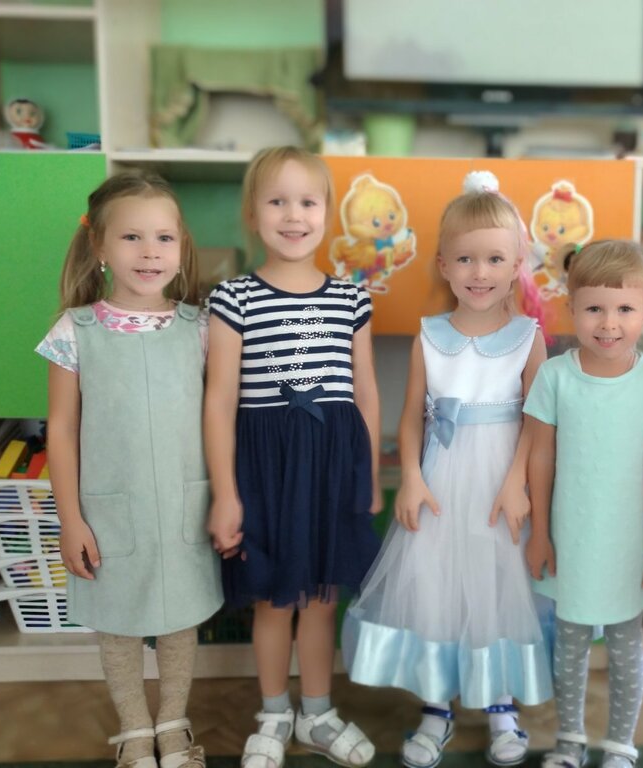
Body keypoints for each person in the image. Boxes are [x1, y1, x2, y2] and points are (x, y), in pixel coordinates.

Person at [342, 171, 553, 768]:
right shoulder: (429, 336)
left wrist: (517, 482)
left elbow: (538, 421)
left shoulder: (528, 337)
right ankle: (436, 709)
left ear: (516, 265)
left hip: (500, 488)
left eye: (494, 259)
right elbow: (412, 415)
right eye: (465, 259)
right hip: (439, 486)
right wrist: (411, 476)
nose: (479, 272)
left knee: (496, 589)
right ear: (443, 265)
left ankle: (501, 706)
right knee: (436, 590)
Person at [204, 147, 382, 768]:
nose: (293, 215)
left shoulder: (351, 299)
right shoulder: (233, 298)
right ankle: (275, 713)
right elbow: (219, 400)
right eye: (277, 201)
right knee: (275, 599)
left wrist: (368, 478)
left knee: (323, 598)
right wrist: (226, 494)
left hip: (333, 467)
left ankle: (318, 713)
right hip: (267, 470)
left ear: (327, 213)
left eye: (307, 202)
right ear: (253, 214)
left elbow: (365, 393)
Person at [42, 171, 222, 768]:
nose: (150, 252)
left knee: (179, 619)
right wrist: (70, 519)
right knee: (117, 622)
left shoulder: (201, 329)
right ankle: (134, 731)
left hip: (182, 504)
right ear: (99, 245)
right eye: (132, 237)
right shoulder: (75, 331)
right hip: (109, 509)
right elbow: (61, 430)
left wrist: (227, 497)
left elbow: (221, 418)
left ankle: (172, 724)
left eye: (164, 238)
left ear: (181, 247)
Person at [525, 240, 643, 768]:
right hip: (569, 539)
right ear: (571, 308)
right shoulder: (554, 376)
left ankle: (620, 746)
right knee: (568, 645)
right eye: (594, 308)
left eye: (624, 309)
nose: (609, 323)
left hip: (629, 545)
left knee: (625, 645)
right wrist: (540, 534)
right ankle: (569, 740)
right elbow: (540, 458)